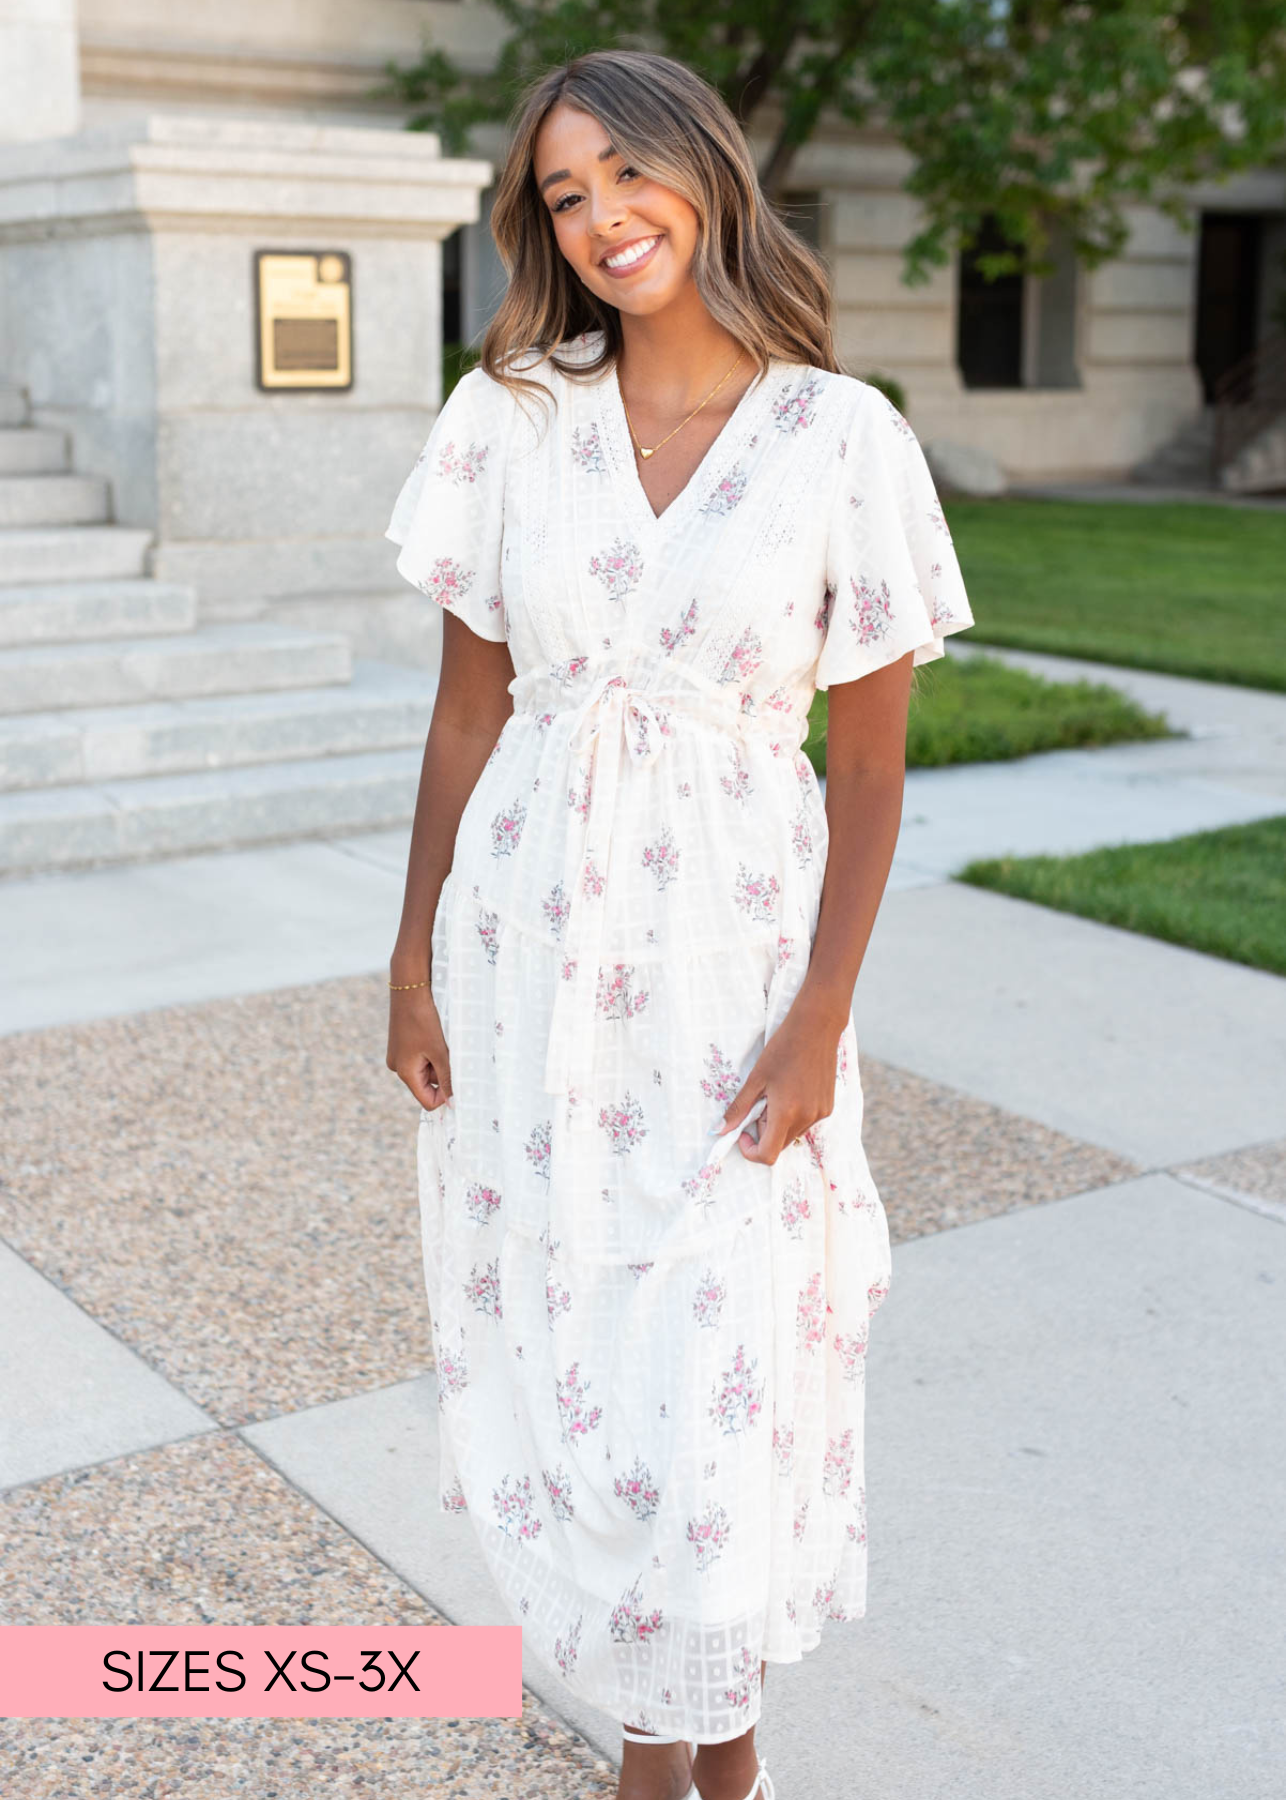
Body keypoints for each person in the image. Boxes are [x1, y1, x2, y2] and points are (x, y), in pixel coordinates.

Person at [385, 46, 974, 1800]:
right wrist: (411, 954)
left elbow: (864, 772)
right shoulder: (508, 414)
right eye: (561, 195)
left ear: (702, 171)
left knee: (716, 1347)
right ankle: (712, 1773)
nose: (599, 218)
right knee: (584, 1345)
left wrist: (820, 1015)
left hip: (733, 967)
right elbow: (465, 718)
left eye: (622, 174)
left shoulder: (837, 436)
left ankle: (669, 1771)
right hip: (527, 953)